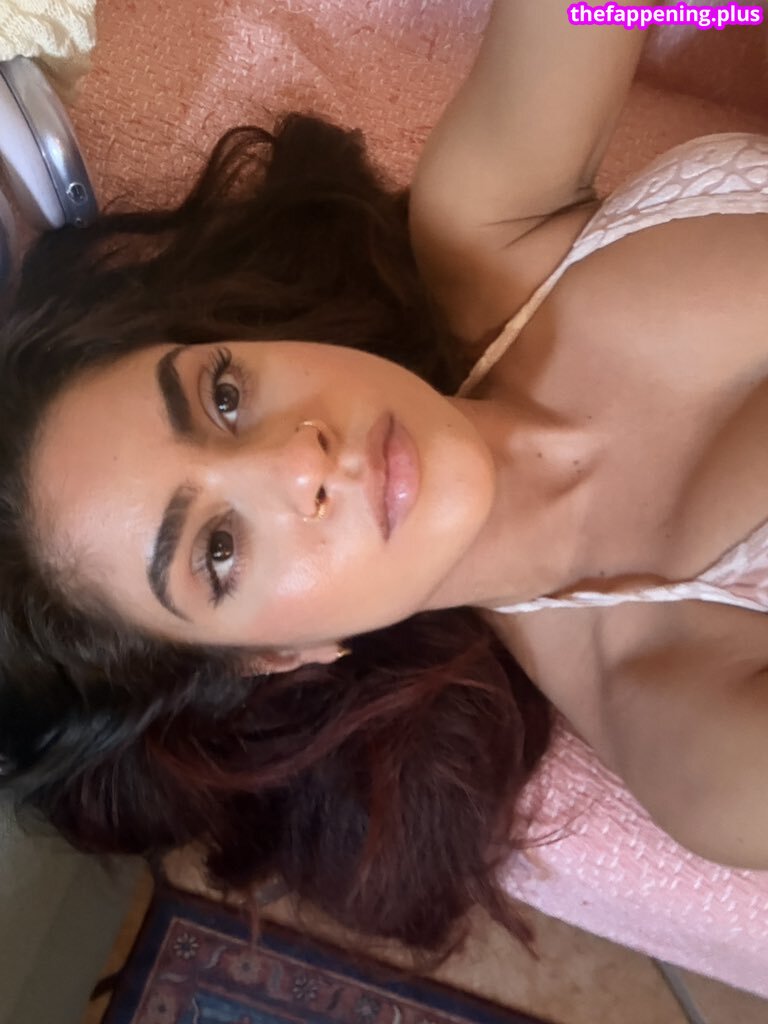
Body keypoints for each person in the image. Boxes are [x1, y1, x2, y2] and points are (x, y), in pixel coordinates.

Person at [2, 0, 768, 953]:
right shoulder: (694, 735)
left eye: (223, 396)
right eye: (220, 549)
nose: (300, 457)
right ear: (276, 657)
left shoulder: (488, 221)